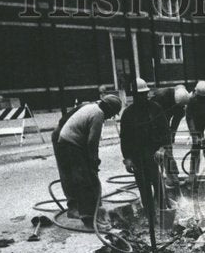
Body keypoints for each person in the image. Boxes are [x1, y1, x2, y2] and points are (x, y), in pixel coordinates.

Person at [53, 94, 122, 229]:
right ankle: (88, 219)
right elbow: (92, 142)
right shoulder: (98, 114)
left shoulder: (92, 107)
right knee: (84, 180)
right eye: (112, 114)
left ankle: (90, 212)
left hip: (70, 143)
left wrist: (91, 161)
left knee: (85, 178)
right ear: (108, 109)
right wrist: (93, 161)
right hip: (70, 145)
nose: (110, 117)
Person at [120, 78, 171, 234]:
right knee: (144, 188)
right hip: (137, 156)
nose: (143, 97)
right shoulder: (128, 114)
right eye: (139, 95)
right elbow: (125, 138)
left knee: (159, 185)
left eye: (145, 94)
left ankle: (164, 216)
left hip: (154, 154)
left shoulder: (155, 109)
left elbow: (165, 132)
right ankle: (151, 218)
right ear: (134, 95)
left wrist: (163, 148)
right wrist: (127, 159)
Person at [149, 84, 189, 182]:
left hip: (165, 123)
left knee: (167, 150)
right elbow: (150, 114)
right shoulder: (161, 96)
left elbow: (175, 123)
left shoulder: (181, 104)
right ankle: (157, 176)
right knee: (155, 152)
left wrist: (172, 136)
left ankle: (171, 176)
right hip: (153, 122)